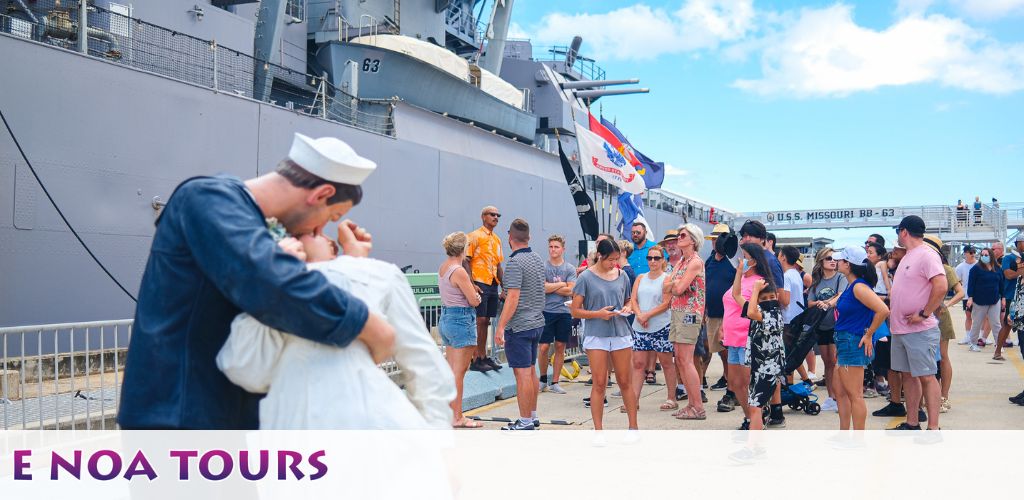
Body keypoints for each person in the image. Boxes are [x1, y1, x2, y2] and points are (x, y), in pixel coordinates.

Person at [118, 133, 395, 430]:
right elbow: (275, 286)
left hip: (216, 414)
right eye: (332, 215)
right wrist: (371, 327)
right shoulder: (206, 199)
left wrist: (352, 262)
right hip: (178, 416)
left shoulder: (247, 222)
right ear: (321, 193)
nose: (321, 229)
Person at [218, 233, 455, 429]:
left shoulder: (375, 275)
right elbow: (245, 369)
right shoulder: (271, 289)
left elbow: (422, 362)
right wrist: (275, 280)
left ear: (334, 251)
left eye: (314, 234)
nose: (297, 237)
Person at [571, 239, 638, 430]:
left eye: (617, 259)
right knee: (599, 383)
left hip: (621, 332)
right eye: (610, 260)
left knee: (625, 382)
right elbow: (575, 310)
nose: (614, 264)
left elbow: (628, 300)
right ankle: (598, 430)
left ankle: (633, 428)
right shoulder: (585, 278)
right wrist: (598, 314)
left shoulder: (622, 275)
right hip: (596, 334)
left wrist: (627, 308)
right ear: (600, 256)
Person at [888, 216, 946, 431]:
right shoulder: (909, 256)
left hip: (919, 329)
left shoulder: (927, 255)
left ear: (904, 232)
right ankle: (912, 422)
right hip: (901, 329)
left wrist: (924, 313)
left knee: (927, 376)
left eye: (898, 232)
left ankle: (933, 428)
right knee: (909, 376)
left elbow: (941, 286)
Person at [494, 218, 548, 431]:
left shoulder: (515, 263)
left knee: (522, 374)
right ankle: (532, 416)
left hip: (520, 326)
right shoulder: (536, 258)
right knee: (531, 371)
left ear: (509, 238)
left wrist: (500, 326)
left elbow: (513, 298)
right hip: (536, 322)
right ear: (529, 237)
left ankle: (525, 421)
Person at [830, 246, 889, 430]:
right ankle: (845, 433)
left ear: (848, 265)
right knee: (840, 392)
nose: (836, 262)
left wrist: (869, 333)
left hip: (851, 340)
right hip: (844, 340)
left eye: (840, 260)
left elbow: (883, 310)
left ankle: (858, 438)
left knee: (854, 394)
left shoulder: (859, 287)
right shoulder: (853, 285)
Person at [722, 242, 775, 429]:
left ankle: (756, 419)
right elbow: (732, 298)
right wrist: (739, 272)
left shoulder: (761, 282)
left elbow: (750, 308)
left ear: (755, 259)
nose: (741, 260)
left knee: (749, 384)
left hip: (748, 337)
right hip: (732, 337)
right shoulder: (741, 278)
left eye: (745, 256)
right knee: (735, 384)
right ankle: (749, 418)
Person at [437, 232, 484, 428]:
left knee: (451, 371)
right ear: (463, 249)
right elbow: (473, 299)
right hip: (461, 319)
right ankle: (457, 417)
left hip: (447, 317)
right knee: (459, 372)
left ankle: (449, 413)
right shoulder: (459, 270)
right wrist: (477, 298)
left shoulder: (444, 267)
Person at [665, 223, 707, 420]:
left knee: (686, 360)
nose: (678, 238)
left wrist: (675, 285)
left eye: (682, 235)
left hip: (690, 313)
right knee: (680, 360)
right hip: (678, 311)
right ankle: (691, 404)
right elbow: (667, 286)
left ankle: (697, 406)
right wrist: (675, 285)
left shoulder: (695, 262)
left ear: (693, 239)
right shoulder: (682, 261)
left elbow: (678, 288)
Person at [629, 244, 676, 411]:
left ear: (662, 260)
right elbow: (633, 299)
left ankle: (671, 398)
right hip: (640, 326)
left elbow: (666, 303)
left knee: (666, 362)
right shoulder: (640, 277)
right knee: (638, 363)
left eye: (656, 258)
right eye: (650, 258)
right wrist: (640, 314)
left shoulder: (667, 278)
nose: (653, 261)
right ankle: (633, 400)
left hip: (661, 326)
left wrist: (647, 315)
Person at [923, 235, 963, 413]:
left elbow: (960, 292)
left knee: (942, 357)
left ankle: (944, 397)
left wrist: (946, 304)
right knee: (926, 358)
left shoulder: (945, 268)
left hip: (939, 318)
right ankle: (929, 396)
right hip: (921, 318)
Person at [807, 247, 848, 413]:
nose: (833, 261)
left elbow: (841, 295)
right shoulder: (816, 281)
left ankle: (841, 397)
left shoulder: (841, 277)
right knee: (828, 363)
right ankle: (832, 397)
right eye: (828, 258)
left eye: (834, 258)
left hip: (837, 324)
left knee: (838, 363)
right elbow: (809, 302)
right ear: (821, 262)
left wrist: (828, 302)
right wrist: (818, 303)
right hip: (822, 325)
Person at [466, 206, 505, 373]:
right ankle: (475, 358)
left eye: (498, 215)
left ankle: (483, 356)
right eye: (492, 214)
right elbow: (466, 260)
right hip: (479, 282)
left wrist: (504, 287)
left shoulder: (497, 239)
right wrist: (471, 283)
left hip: (492, 283)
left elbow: (498, 265)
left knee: (487, 321)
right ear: (483, 217)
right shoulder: (473, 236)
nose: (496, 217)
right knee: (479, 320)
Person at [539, 235, 576, 395]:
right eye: (551, 246)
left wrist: (551, 286)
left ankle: (555, 381)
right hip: (546, 310)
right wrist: (562, 284)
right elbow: (542, 288)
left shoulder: (569, 268)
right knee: (543, 347)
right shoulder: (543, 267)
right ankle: (542, 379)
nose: (553, 249)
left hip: (563, 312)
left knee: (560, 346)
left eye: (556, 247)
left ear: (563, 249)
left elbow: (571, 290)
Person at [705, 224, 736, 394]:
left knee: (727, 350)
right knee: (719, 350)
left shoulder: (732, 262)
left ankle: (729, 380)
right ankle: (726, 377)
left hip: (729, 315)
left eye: (718, 240)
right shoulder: (708, 261)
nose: (715, 243)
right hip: (712, 314)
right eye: (713, 240)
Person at [779, 246, 811, 390]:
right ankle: (800, 382)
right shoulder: (796, 274)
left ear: (784, 257)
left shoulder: (786, 276)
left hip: (788, 320)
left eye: (779, 255)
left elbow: (785, 300)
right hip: (798, 318)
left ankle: (790, 386)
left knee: (788, 356)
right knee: (793, 354)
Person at [965, 248, 1004, 353]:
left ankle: (999, 344)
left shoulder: (997, 268)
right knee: (977, 323)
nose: (984, 257)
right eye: (982, 255)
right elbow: (971, 284)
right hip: (979, 301)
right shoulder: (976, 269)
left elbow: (1001, 284)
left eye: (986, 255)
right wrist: (970, 297)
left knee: (996, 324)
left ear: (991, 256)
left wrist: (1003, 298)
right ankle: (973, 344)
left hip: (995, 300)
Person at [992, 236, 1024, 359]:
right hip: (1012, 296)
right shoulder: (1008, 258)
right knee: (1007, 324)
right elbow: (1008, 275)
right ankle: (997, 351)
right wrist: (1021, 272)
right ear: (1019, 243)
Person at [955, 247, 977, 341]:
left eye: (974, 252)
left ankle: (981, 336)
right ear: (965, 254)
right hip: (967, 296)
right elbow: (957, 282)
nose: (973, 254)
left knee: (983, 317)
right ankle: (968, 336)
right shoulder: (960, 267)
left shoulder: (979, 265)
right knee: (968, 316)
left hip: (980, 295)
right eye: (971, 252)